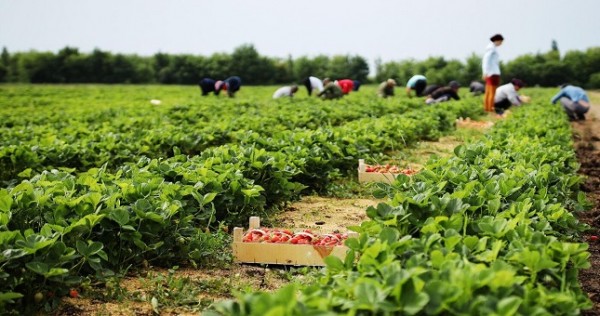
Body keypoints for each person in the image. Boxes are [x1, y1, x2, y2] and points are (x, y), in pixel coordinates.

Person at [482, 34, 504, 112]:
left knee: (488, 92)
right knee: (492, 92)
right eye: (501, 42)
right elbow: (486, 61)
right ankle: (490, 109)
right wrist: (485, 72)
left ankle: (487, 108)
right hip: (492, 73)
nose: (501, 43)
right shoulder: (491, 48)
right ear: (497, 40)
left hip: (491, 72)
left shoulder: (492, 48)